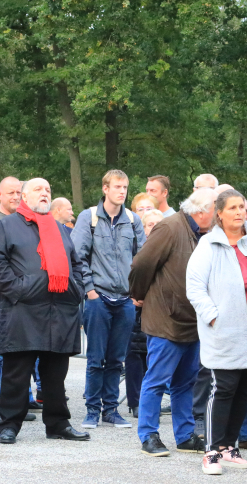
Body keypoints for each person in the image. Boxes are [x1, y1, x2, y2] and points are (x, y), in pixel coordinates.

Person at [0, 177, 89, 444]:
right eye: (39, 189)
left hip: (59, 311)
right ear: (24, 196)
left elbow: (76, 264)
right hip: (23, 310)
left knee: (56, 374)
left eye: (48, 189)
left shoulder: (60, 229)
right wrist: (21, 289)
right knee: (16, 372)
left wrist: (75, 289)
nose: (45, 193)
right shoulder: (6, 226)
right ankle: (9, 424)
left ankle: (58, 423)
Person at [186, 190, 247, 475]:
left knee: (244, 389)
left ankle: (228, 446)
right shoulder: (208, 245)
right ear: (220, 214)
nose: (239, 212)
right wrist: (214, 317)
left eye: (243, 207)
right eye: (233, 208)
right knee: (222, 388)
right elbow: (195, 287)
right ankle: (211, 451)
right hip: (224, 331)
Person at [129, 187, 216, 457]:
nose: (219, 215)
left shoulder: (205, 233)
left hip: (192, 322)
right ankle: (149, 435)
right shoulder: (170, 227)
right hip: (165, 320)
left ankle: (185, 435)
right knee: (156, 380)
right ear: (201, 211)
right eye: (216, 209)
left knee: (185, 383)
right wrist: (139, 295)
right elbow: (141, 264)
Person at [72, 169, 146, 429]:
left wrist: (138, 292)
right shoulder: (89, 217)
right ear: (105, 188)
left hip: (125, 299)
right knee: (95, 358)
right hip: (98, 297)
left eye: (125, 187)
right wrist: (89, 291)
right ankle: (92, 410)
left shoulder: (133, 220)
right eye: (117, 186)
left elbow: (142, 260)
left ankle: (111, 410)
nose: (122, 191)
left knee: (117, 359)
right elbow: (77, 256)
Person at [0, 176, 39, 425]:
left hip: (22, 297)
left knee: (23, 350)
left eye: (18, 192)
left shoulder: (25, 220)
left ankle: (22, 400)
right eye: (10, 192)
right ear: (0, 194)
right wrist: (1, 289)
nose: (15, 196)